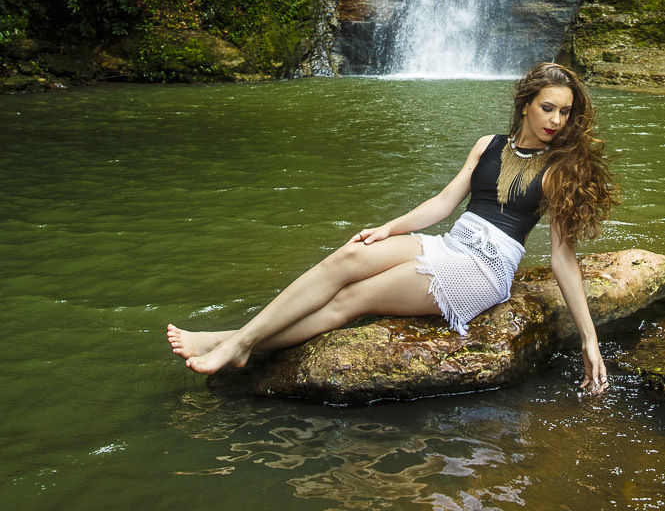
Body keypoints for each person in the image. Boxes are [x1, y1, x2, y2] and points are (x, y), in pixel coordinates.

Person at [167, 61, 617, 391]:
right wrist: (388, 228)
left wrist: (589, 340)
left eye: (564, 112)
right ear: (525, 105)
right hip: (452, 243)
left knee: (352, 297)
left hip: (485, 268)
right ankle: (239, 342)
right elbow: (443, 203)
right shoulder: (489, 144)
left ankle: (233, 342)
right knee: (351, 255)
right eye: (547, 108)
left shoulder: (561, 167)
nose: (556, 121)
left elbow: (562, 256)